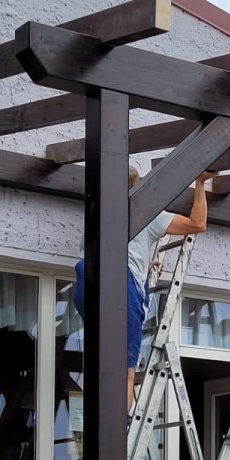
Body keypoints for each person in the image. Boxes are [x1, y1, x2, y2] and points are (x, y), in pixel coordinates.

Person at [74, 166, 210, 409]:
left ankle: (96, 424)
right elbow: (198, 224)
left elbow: (111, 255)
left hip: (87, 278)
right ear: (138, 189)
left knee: (101, 362)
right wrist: (200, 183)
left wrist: (142, 264)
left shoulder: (98, 211)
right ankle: (115, 432)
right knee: (125, 376)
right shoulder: (145, 212)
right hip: (120, 287)